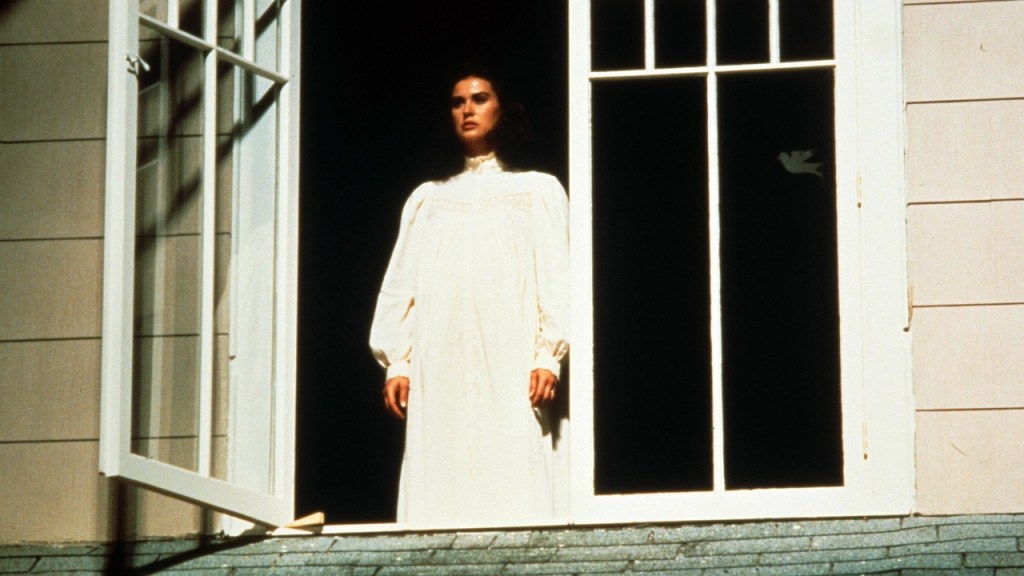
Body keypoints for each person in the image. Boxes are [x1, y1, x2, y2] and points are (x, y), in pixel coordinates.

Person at [368, 63, 569, 526]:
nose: (467, 110)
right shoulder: (428, 198)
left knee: (512, 455)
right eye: (458, 102)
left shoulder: (535, 190)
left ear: (505, 109)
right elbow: (401, 285)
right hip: (439, 359)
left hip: (509, 352)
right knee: (440, 456)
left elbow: (557, 277)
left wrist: (548, 356)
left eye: (479, 99)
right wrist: (398, 362)